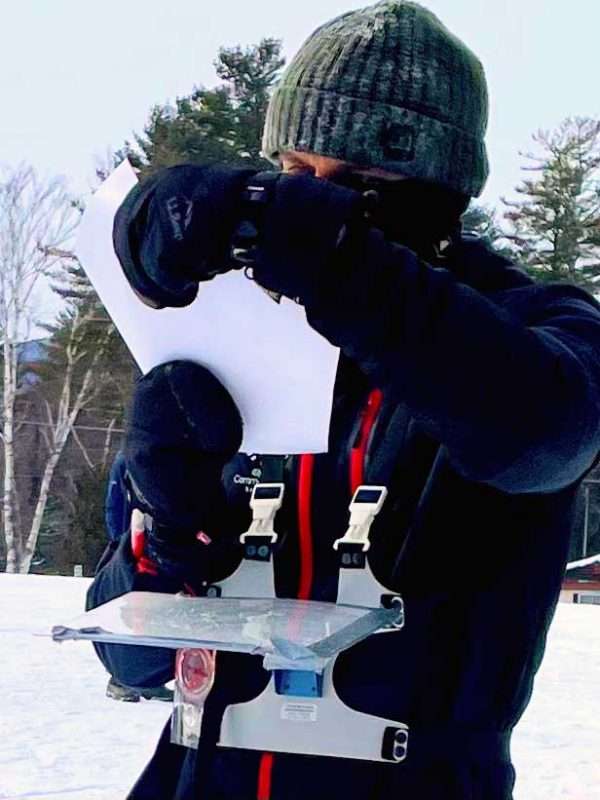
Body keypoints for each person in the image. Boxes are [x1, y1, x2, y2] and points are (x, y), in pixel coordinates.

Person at [87, 2, 600, 798]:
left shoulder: (535, 327)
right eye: (295, 175)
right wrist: (174, 527)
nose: (316, 205)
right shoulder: (229, 339)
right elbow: (131, 659)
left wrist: (334, 260)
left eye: (362, 185)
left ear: (442, 188)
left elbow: (547, 435)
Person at [102, 451, 175, 704]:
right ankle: (121, 680)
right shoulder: (130, 456)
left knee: (155, 616)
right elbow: (115, 504)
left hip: (158, 546)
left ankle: (150, 680)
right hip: (132, 547)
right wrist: (119, 547)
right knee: (129, 615)